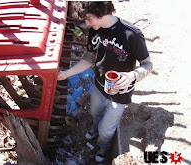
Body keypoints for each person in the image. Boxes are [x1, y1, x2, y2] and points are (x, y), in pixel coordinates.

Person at [58, 2, 153, 163]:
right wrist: (67, 73)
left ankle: (103, 146)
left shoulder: (131, 34)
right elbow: (89, 58)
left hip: (120, 94)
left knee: (106, 130)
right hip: (99, 86)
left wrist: (132, 76)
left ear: (100, 12)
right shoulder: (95, 31)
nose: (86, 24)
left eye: (88, 19)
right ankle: (94, 128)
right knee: (94, 113)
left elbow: (148, 65)